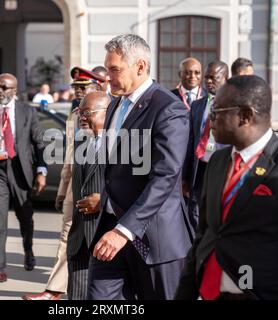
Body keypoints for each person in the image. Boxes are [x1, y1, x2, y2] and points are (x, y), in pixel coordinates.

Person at [176, 75, 278, 300]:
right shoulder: (218, 161)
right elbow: (205, 235)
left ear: (245, 116)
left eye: (216, 112)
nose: (210, 120)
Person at [87, 34, 192, 300]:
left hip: (154, 240)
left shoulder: (169, 109)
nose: (107, 77)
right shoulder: (115, 105)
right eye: (107, 69)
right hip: (110, 229)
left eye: (115, 70)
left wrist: (125, 230)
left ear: (141, 66)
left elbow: (165, 177)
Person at [23, 68, 105, 301]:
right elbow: (71, 156)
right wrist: (62, 190)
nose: (78, 91)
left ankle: (58, 290)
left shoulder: (107, 111)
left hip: (99, 191)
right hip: (74, 186)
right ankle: (56, 290)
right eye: (76, 87)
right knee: (68, 238)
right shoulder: (75, 114)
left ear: (98, 87)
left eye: (83, 87)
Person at [0, 73, 47, 287]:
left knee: (25, 218)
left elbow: (39, 142)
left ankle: (28, 250)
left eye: (4, 88)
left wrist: (41, 171)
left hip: (20, 169)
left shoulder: (27, 112)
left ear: (14, 90)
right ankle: (0, 270)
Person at [67, 92, 110, 300]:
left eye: (87, 113)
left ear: (107, 113)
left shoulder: (121, 144)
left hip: (105, 235)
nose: (82, 117)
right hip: (79, 236)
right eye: (80, 112)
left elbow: (134, 187)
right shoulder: (81, 141)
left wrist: (103, 200)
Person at [183, 61, 229, 233]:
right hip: (200, 164)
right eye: (207, 77)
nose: (209, 81)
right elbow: (190, 141)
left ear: (225, 78)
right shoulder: (197, 105)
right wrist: (185, 176)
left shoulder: (232, 106)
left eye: (214, 78)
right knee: (195, 208)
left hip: (221, 165)